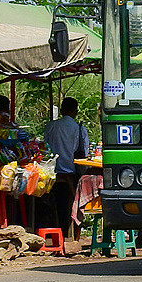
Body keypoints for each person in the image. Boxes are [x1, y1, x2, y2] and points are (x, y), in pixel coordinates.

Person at [44, 97, 89, 242]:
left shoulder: (50, 126)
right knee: (72, 201)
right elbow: (84, 154)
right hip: (71, 172)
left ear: (62, 110)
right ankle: (73, 234)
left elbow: (45, 148)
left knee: (53, 203)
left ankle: (56, 228)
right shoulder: (80, 130)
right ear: (76, 112)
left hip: (51, 172)